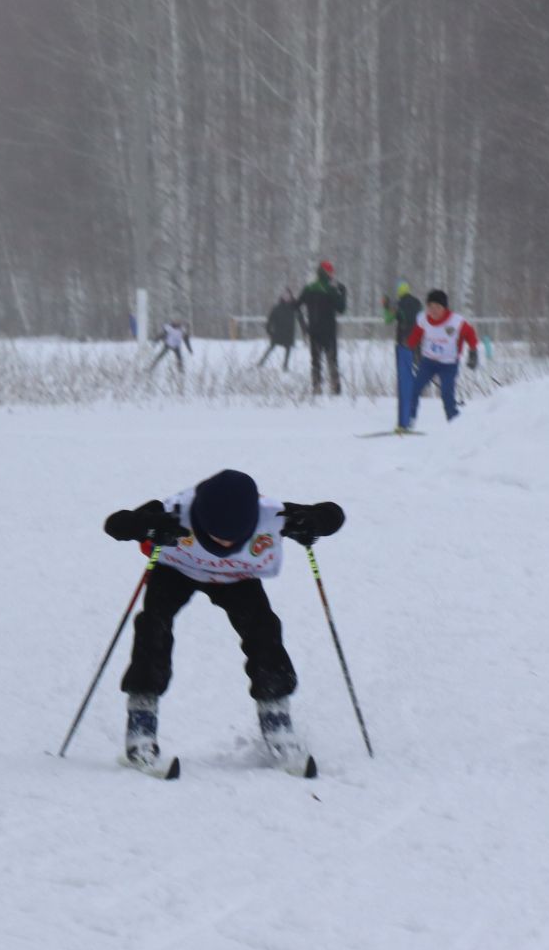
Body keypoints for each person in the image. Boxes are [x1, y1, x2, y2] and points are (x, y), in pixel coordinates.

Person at [102, 470, 346, 774]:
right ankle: (141, 728)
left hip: (236, 578)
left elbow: (335, 515)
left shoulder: (269, 513)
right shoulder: (177, 510)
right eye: (215, 533)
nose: (223, 540)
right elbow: (115, 524)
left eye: (233, 536)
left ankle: (277, 724)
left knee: (264, 630)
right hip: (177, 572)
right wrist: (145, 526)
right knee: (153, 626)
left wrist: (312, 521)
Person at [402, 289, 479, 429]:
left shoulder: (456, 321)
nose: (434, 311)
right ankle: (410, 419)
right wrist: (408, 346)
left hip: (449, 365)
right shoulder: (423, 319)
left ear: (444, 307)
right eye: (430, 307)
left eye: (438, 307)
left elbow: (470, 334)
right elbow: (416, 335)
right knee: (414, 389)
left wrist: (473, 352)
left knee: (446, 394)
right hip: (428, 363)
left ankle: (455, 422)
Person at [298, 260, 348, 395]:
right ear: (326, 273)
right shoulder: (331, 290)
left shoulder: (308, 288)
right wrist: (343, 292)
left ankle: (316, 388)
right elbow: (341, 309)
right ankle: (335, 389)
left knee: (315, 362)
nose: (332, 274)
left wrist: (304, 325)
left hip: (313, 331)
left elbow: (296, 305)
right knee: (332, 360)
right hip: (329, 332)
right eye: (331, 271)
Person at [386, 281, 423, 428]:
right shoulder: (417, 303)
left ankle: (404, 422)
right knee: (414, 379)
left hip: (403, 345)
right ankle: (410, 417)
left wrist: (386, 306)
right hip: (417, 343)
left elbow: (388, 319)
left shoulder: (398, 304)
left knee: (404, 383)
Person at [259, 290, 299, 368]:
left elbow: (300, 318)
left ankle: (285, 365)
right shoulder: (277, 308)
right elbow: (270, 320)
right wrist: (269, 331)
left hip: (288, 334)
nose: (287, 298)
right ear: (282, 297)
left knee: (288, 349)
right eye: (285, 296)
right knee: (271, 348)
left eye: (289, 297)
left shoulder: (293, 308)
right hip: (278, 333)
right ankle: (261, 362)